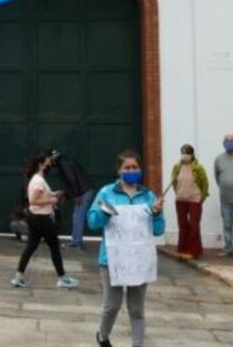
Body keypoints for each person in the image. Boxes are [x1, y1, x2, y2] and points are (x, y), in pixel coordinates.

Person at [87, 149, 165, 347]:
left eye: (135, 167)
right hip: (111, 260)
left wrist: (156, 213)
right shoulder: (106, 193)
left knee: (137, 308)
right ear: (119, 170)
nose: (131, 171)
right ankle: (103, 337)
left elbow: (158, 230)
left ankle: (138, 344)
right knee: (112, 305)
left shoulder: (148, 196)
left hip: (139, 260)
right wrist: (105, 212)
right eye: (127, 167)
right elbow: (93, 222)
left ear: (140, 169)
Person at [11, 152, 78, 289]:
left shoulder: (37, 179)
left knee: (31, 246)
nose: (50, 165)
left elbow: (37, 198)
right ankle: (62, 278)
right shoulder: (39, 181)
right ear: (41, 165)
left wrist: (52, 194)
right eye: (48, 163)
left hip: (35, 217)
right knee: (54, 247)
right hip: (42, 219)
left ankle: (19, 277)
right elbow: (34, 200)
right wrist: (52, 200)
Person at [49, 149, 95, 249]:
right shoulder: (65, 161)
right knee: (78, 216)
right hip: (84, 189)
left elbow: (71, 179)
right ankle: (76, 241)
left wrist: (76, 195)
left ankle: (76, 243)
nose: (48, 163)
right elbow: (71, 180)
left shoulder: (63, 163)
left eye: (49, 160)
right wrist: (67, 195)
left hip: (83, 191)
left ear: (52, 158)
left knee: (78, 217)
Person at [171, 144, 209, 259]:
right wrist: (177, 192)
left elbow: (205, 183)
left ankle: (193, 251)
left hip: (195, 199)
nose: (184, 155)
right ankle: (182, 249)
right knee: (182, 224)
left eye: (187, 153)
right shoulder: (177, 167)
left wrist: (203, 196)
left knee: (194, 225)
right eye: (182, 153)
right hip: (180, 199)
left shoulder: (198, 167)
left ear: (192, 154)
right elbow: (174, 182)